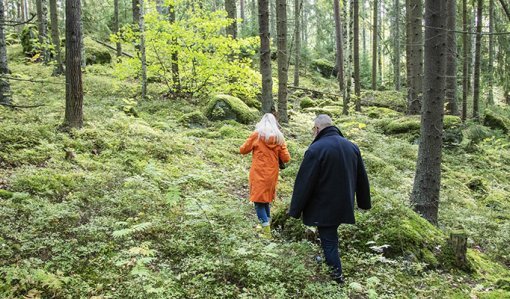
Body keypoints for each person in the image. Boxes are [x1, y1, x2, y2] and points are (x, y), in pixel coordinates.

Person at [288, 114, 371, 284]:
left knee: (329, 239)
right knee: (329, 236)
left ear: (317, 129)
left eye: (313, 130)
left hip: (324, 206)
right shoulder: (351, 146)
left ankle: (336, 277)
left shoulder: (316, 149)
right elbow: (362, 178)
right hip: (344, 203)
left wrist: (295, 210)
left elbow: (304, 183)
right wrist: (364, 202)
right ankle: (328, 263)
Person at [240, 113, 291, 239]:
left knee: (258, 201)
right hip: (272, 174)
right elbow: (286, 158)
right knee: (266, 200)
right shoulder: (279, 138)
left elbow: (243, 150)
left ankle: (266, 232)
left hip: (258, 173)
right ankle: (267, 224)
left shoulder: (257, 135)